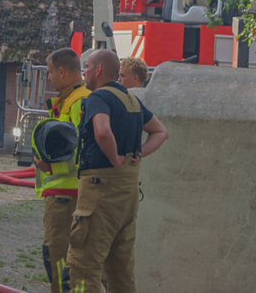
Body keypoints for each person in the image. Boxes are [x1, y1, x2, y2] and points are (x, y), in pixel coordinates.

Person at [62, 50, 168, 293]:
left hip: (101, 191)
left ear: (98, 70)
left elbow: (101, 131)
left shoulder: (98, 97)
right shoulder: (131, 100)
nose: (84, 72)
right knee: (120, 270)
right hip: (127, 196)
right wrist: (137, 153)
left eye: (86, 66)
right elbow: (161, 132)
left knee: (83, 265)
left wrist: (114, 158)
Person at [34, 48, 91, 293]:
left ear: (61, 71)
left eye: (49, 72)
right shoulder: (72, 99)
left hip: (66, 195)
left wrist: (48, 165)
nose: (48, 78)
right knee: (66, 258)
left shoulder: (78, 102)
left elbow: (81, 152)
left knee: (57, 255)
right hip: (64, 193)